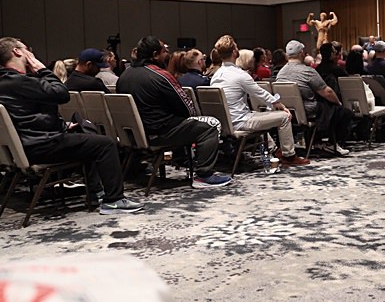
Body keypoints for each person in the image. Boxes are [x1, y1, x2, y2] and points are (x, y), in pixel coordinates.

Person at [0, 37, 142, 214]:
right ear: (17, 52)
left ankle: (98, 192)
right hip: (41, 145)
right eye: (25, 49)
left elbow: (25, 116)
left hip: (27, 144)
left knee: (87, 137)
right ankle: (113, 200)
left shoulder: (5, 81)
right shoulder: (20, 81)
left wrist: (62, 125)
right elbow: (62, 94)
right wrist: (42, 69)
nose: (30, 53)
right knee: (105, 144)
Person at [117, 36, 231, 188]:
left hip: (134, 136)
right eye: (165, 51)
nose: (167, 54)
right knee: (211, 125)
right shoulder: (161, 75)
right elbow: (187, 109)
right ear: (155, 55)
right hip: (159, 134)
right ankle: (203, 175)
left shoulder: (124, 76)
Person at [210, 35, 309, 166]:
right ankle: (289, 156)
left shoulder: (216, 76)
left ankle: (275, 150)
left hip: (225, 123)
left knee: (257, 115)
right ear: (234, 52)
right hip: (240, 122)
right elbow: (260, 93)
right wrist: (280, 105)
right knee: (284, 117)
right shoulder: (240, 75)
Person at [276, 40, 353, 156]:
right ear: (301, 53)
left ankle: (317, 141)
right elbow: (327, 92)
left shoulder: (281, 73)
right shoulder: (307, 71)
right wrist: (338, 102)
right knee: (342, 112)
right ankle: (332, 143)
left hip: (287, 111)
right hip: (308, 110)